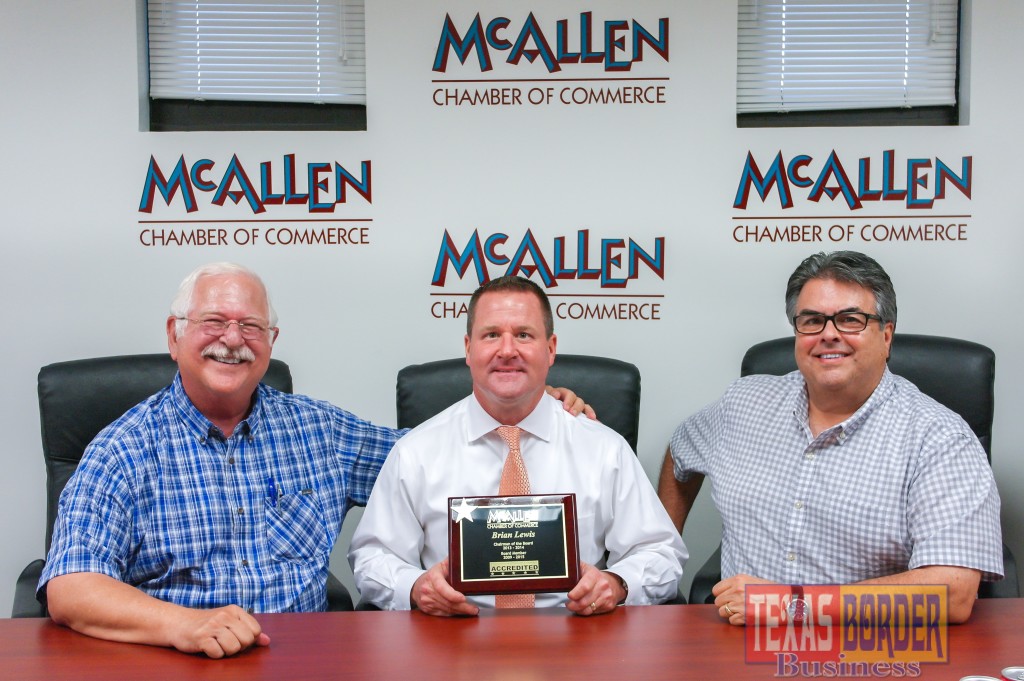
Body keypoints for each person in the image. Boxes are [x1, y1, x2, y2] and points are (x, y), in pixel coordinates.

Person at [38, 262, 590, 658]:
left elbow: (440, 456)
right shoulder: (123, 448)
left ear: (270, 341)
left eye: (251, 327)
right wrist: (183, 626)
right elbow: (70, 586)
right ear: (174, 334)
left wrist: (534, 407)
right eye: (214, 322)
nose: (233, 339)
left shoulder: (317, 431)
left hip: (301, 661)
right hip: (174, 658)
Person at [658, 251, 1002, 625]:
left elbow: (952, 593)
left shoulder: (940, 439)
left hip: (865, 651)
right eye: (812, 320)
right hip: (740, 643)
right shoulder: (743, 403)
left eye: (850, 320)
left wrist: (792, 605)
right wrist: (660, 554)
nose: (828, 334)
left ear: (886, 336)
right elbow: (681, 452)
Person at [349, 275, 686, 615]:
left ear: (550, 349)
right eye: (491, 335)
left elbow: (661, 552)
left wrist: (617, 584)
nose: (507, 351)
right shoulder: (416, 452)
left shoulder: (603, 449)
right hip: (450, 636)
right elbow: (372, 555)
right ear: (468, 348)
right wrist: (415, 587)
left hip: (577, 637)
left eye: (523, 335)